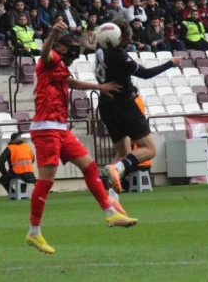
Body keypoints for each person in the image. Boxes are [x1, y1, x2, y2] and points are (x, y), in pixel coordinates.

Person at [25, 22, 137, 255]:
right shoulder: (51, 59)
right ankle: (34, 232)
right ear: (63, 48)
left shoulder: (61, 67)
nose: (76, 52)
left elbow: (71, 83)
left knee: (89, 166)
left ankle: (110, 213)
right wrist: (52, 34)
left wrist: (99, 87)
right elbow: (44, 53)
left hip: (60, 128)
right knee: (46, 181)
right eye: (72, 48)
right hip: (45, 128)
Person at [94, 19, 182, 194]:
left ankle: (107, 192)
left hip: (105, 104)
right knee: (149, 149)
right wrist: (171, 63)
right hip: (123, 104)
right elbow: (146, 74)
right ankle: (116, 170)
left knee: (123, 152)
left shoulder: (100, 48)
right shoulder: (120, 57)